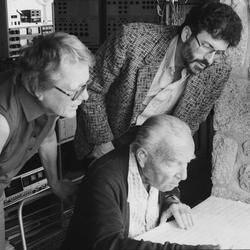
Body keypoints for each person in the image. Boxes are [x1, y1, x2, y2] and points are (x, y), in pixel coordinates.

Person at [74, 1, 242, 161]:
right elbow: (91, 88)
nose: (210, 60)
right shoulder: (132, 39)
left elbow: (190, 123)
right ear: (187, 34)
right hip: (103, 136)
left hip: (153, 150)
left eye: (218, 53)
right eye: (207, 47)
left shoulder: (217, 71)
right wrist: (102, 142)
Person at [62, 115, 220, 250]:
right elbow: (110, 245)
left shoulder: (154, 171)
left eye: (186, 162)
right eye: (174, 163)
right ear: (142, 156)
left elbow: (168, 190)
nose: (183, 175)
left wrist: (171, 202)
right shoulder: (104, 179)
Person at [0, 32, 95, 249]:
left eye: (86, 84)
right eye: (75, 90)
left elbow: (47, 137)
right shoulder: (2, 122)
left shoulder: (50, 102)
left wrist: (55, 183)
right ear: (37, 88)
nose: (86, 96)